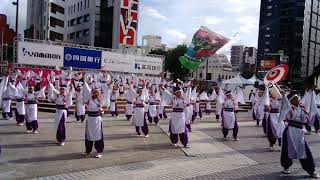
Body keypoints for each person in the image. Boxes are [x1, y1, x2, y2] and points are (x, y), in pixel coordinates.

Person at [280, 93, 319, 178]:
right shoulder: (289, 108)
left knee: (304, 150)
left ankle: (311, 170)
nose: (298, 99)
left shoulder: (302, 108)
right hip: (290, 131)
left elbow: (306, 119)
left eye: (298, 98)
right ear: (291, 101)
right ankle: (286, 167)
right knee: (287, 150)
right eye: (296, 98)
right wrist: (284, 96)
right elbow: (284, 112)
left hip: (299, 132)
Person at [83, 87, 105, 158]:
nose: (97, 93)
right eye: (95, 92)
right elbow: (85, 93)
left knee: (98, 135)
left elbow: (102, 108)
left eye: (98, 92)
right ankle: (88, 150)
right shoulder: (89, 99)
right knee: (88, 135)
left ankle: (99, 151)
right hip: (90, 119)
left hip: (97, 119)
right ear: (92, 93)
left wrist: (102, 110)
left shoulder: (100, 100)